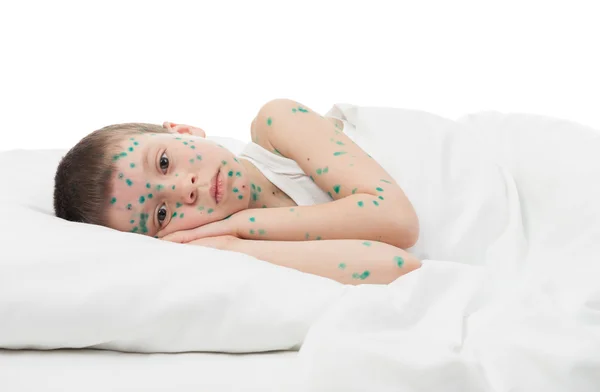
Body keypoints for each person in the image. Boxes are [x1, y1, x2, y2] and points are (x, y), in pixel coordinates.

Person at [54, 98, 422, 284]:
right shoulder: (251, 252)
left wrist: (244, 224)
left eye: (164, 162)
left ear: (182, 130)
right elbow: (401, 268)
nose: (186, 188)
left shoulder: (278, 126)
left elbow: (396, 221)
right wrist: (232, 245)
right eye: (161, 214)